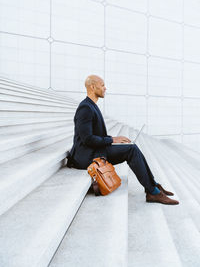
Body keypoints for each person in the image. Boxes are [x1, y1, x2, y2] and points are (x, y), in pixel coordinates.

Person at [67, 75, 179, 205]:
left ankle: (153, 185)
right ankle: (153, 192)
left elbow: (93, 136)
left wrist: (112, 140)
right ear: (93, 87)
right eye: (102, 85)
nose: (105, 88)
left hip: (95, 150)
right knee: (131, 150)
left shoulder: (91, 105)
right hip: (86, 157)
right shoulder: (85, 108)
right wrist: (112, 139)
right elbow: (88, 139)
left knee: (132, 147)